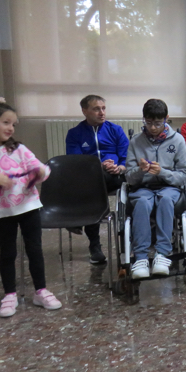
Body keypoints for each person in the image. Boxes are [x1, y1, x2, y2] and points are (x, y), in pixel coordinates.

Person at [0, 98, 62, 318]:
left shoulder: (18, 149)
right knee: (7, 252)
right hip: (2, 212)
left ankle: (41, 290)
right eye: (5, 122)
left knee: (35, 250)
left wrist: (41, 172)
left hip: (28, 206)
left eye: (13, 124)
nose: (11, 128)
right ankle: (9, 294)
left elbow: (41, 168)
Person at [125, 99, 186, 280]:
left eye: (158, 123)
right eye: (149, 122)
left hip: (169, 187)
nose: (153, 128)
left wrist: (163, 173)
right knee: (142, 203)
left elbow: (184, 176)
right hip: (142, 187)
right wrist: (140, 170)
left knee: (166, 200)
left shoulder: (177, 140)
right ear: (144, 119)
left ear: (166, 119)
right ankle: (141, 257)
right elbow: (128, 176)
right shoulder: (136, 141)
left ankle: (162, 254)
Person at [65, 94, 129, 264]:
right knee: (93, 184)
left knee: (92, 189)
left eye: (103, 108)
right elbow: (76, 161)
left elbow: (127, 159)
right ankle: (95, 243)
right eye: (96, 109)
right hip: (90, 177)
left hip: (115, 177)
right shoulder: (75, 134)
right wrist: (99, 166)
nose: (102, 112)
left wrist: (119, 167)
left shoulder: (115, 130)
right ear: (84, 111)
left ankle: (90, 237)